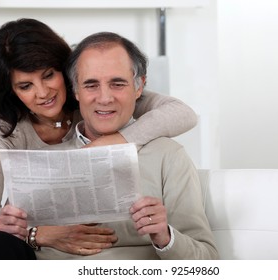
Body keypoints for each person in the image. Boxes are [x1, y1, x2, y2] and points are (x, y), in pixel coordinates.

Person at [0, 19, 198, 259]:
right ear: (13, 91)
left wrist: (116, 141)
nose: (43, 93)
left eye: (48, 76)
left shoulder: (98, 97)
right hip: (41, 250)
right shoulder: (1, 122)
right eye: (26, 86)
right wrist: (40, 234)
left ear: (65, 74)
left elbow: (182, 113)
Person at [39, 31, 215, 259]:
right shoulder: (42, 158)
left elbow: (208, 261)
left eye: (117, 84)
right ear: (75, 90)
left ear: (139, 87)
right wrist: (31, 234)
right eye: (91, 85)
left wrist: (165, 236)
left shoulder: (168, 156)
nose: (104, 98)